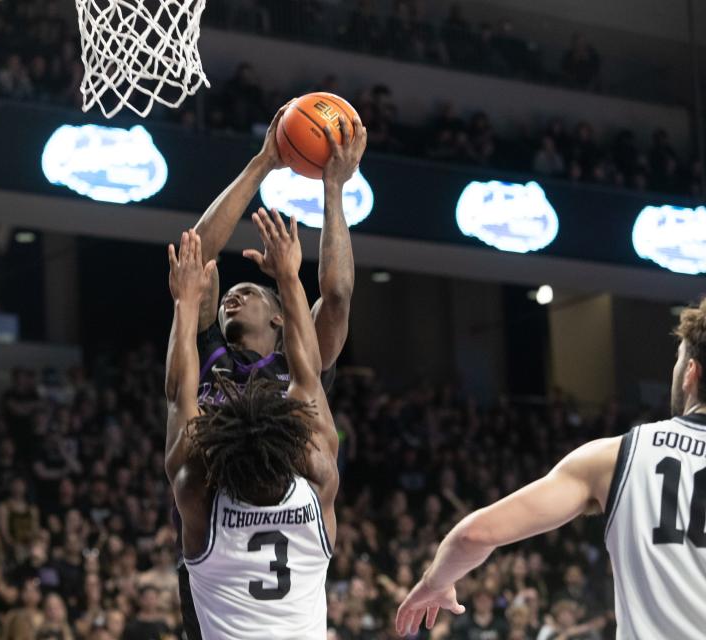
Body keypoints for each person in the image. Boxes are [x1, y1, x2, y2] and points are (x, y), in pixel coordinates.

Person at [396, 297, 706, 639]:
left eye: (677, 363)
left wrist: (434, 582)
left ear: (691, 373)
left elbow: (475, 535)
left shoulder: (613, 456)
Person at [181, 100, 364, 639]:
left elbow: (337, 294)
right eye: (227, 296)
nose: (231, 297)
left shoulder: (300, 362)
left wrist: (334, 190)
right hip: (215, 555)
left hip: (281, 553)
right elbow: (197, 257)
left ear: (284, 319)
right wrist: (265, 160)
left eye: (247, 293)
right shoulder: (209, 352)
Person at [164, 223, 339, 639]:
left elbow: (177, 395)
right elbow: (308, 377)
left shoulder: (197, 495)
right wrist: (289, 277)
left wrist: (185, 304)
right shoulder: (318, 478)